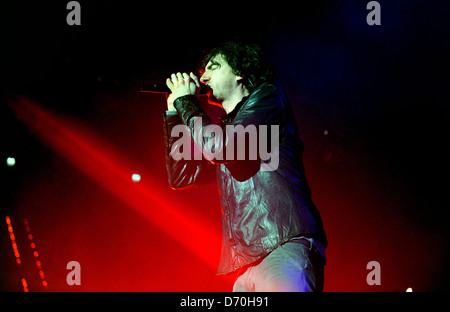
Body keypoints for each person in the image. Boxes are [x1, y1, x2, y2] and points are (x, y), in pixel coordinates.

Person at [163, 41, 327, 292]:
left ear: (240, 72)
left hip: (284, 247)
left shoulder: (269, 97)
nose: (203, 77)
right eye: (202, 72)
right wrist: (175, 112)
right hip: (245, 266)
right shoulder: (226, 133)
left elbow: (221, 148)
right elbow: (182, 176)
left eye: (213, 68)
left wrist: (188, 102)